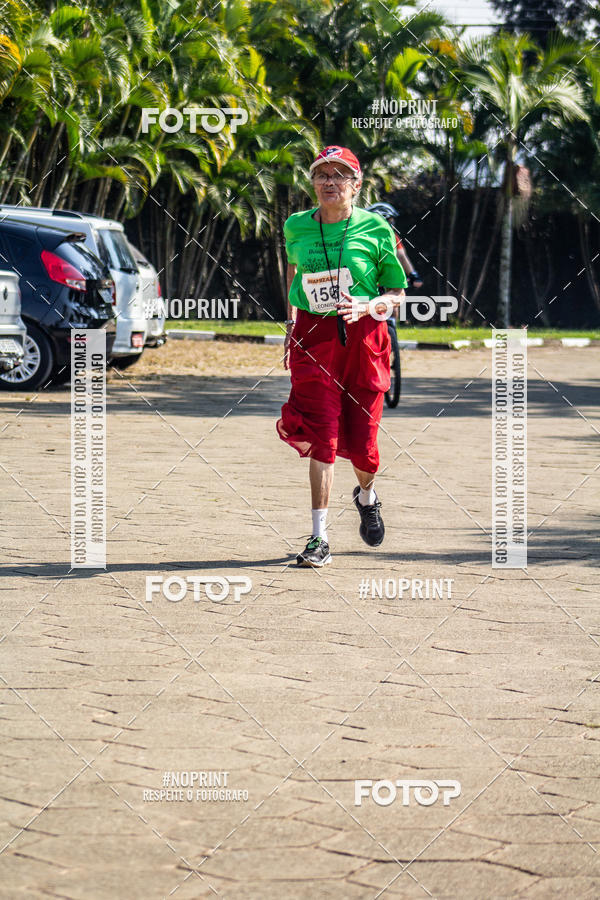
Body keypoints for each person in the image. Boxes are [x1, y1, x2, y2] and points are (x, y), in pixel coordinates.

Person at [276, 146, 408, 567]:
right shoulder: (296, 226)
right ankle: (319, 538)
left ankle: (367, 496)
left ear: (356, 184)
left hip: (363, 341)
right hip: (313, 338)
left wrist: (368, 306)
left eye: (339, 175)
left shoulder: (376, 229)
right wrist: (291, 322)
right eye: (322, 175)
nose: (329, 182)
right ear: (313, 183)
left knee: (365, 447)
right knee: (323, 437)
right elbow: (294, 272)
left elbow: (397, 294)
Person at [367, 202, 423, 290]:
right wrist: (414, 276)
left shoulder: (359, 234)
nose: (393, 225)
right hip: (379, 284)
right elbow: (401, 256)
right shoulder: (390, 236)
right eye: (390, 221)